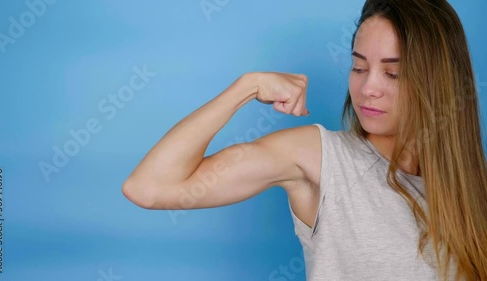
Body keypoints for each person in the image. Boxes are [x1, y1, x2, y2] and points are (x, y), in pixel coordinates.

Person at [122, 0, 487, 280]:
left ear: (439, 82)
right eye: (359, 67)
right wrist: (246, 87)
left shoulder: (473, 194)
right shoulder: (320, 158)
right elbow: (149, 187)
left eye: (393, 73)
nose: (368, 87)